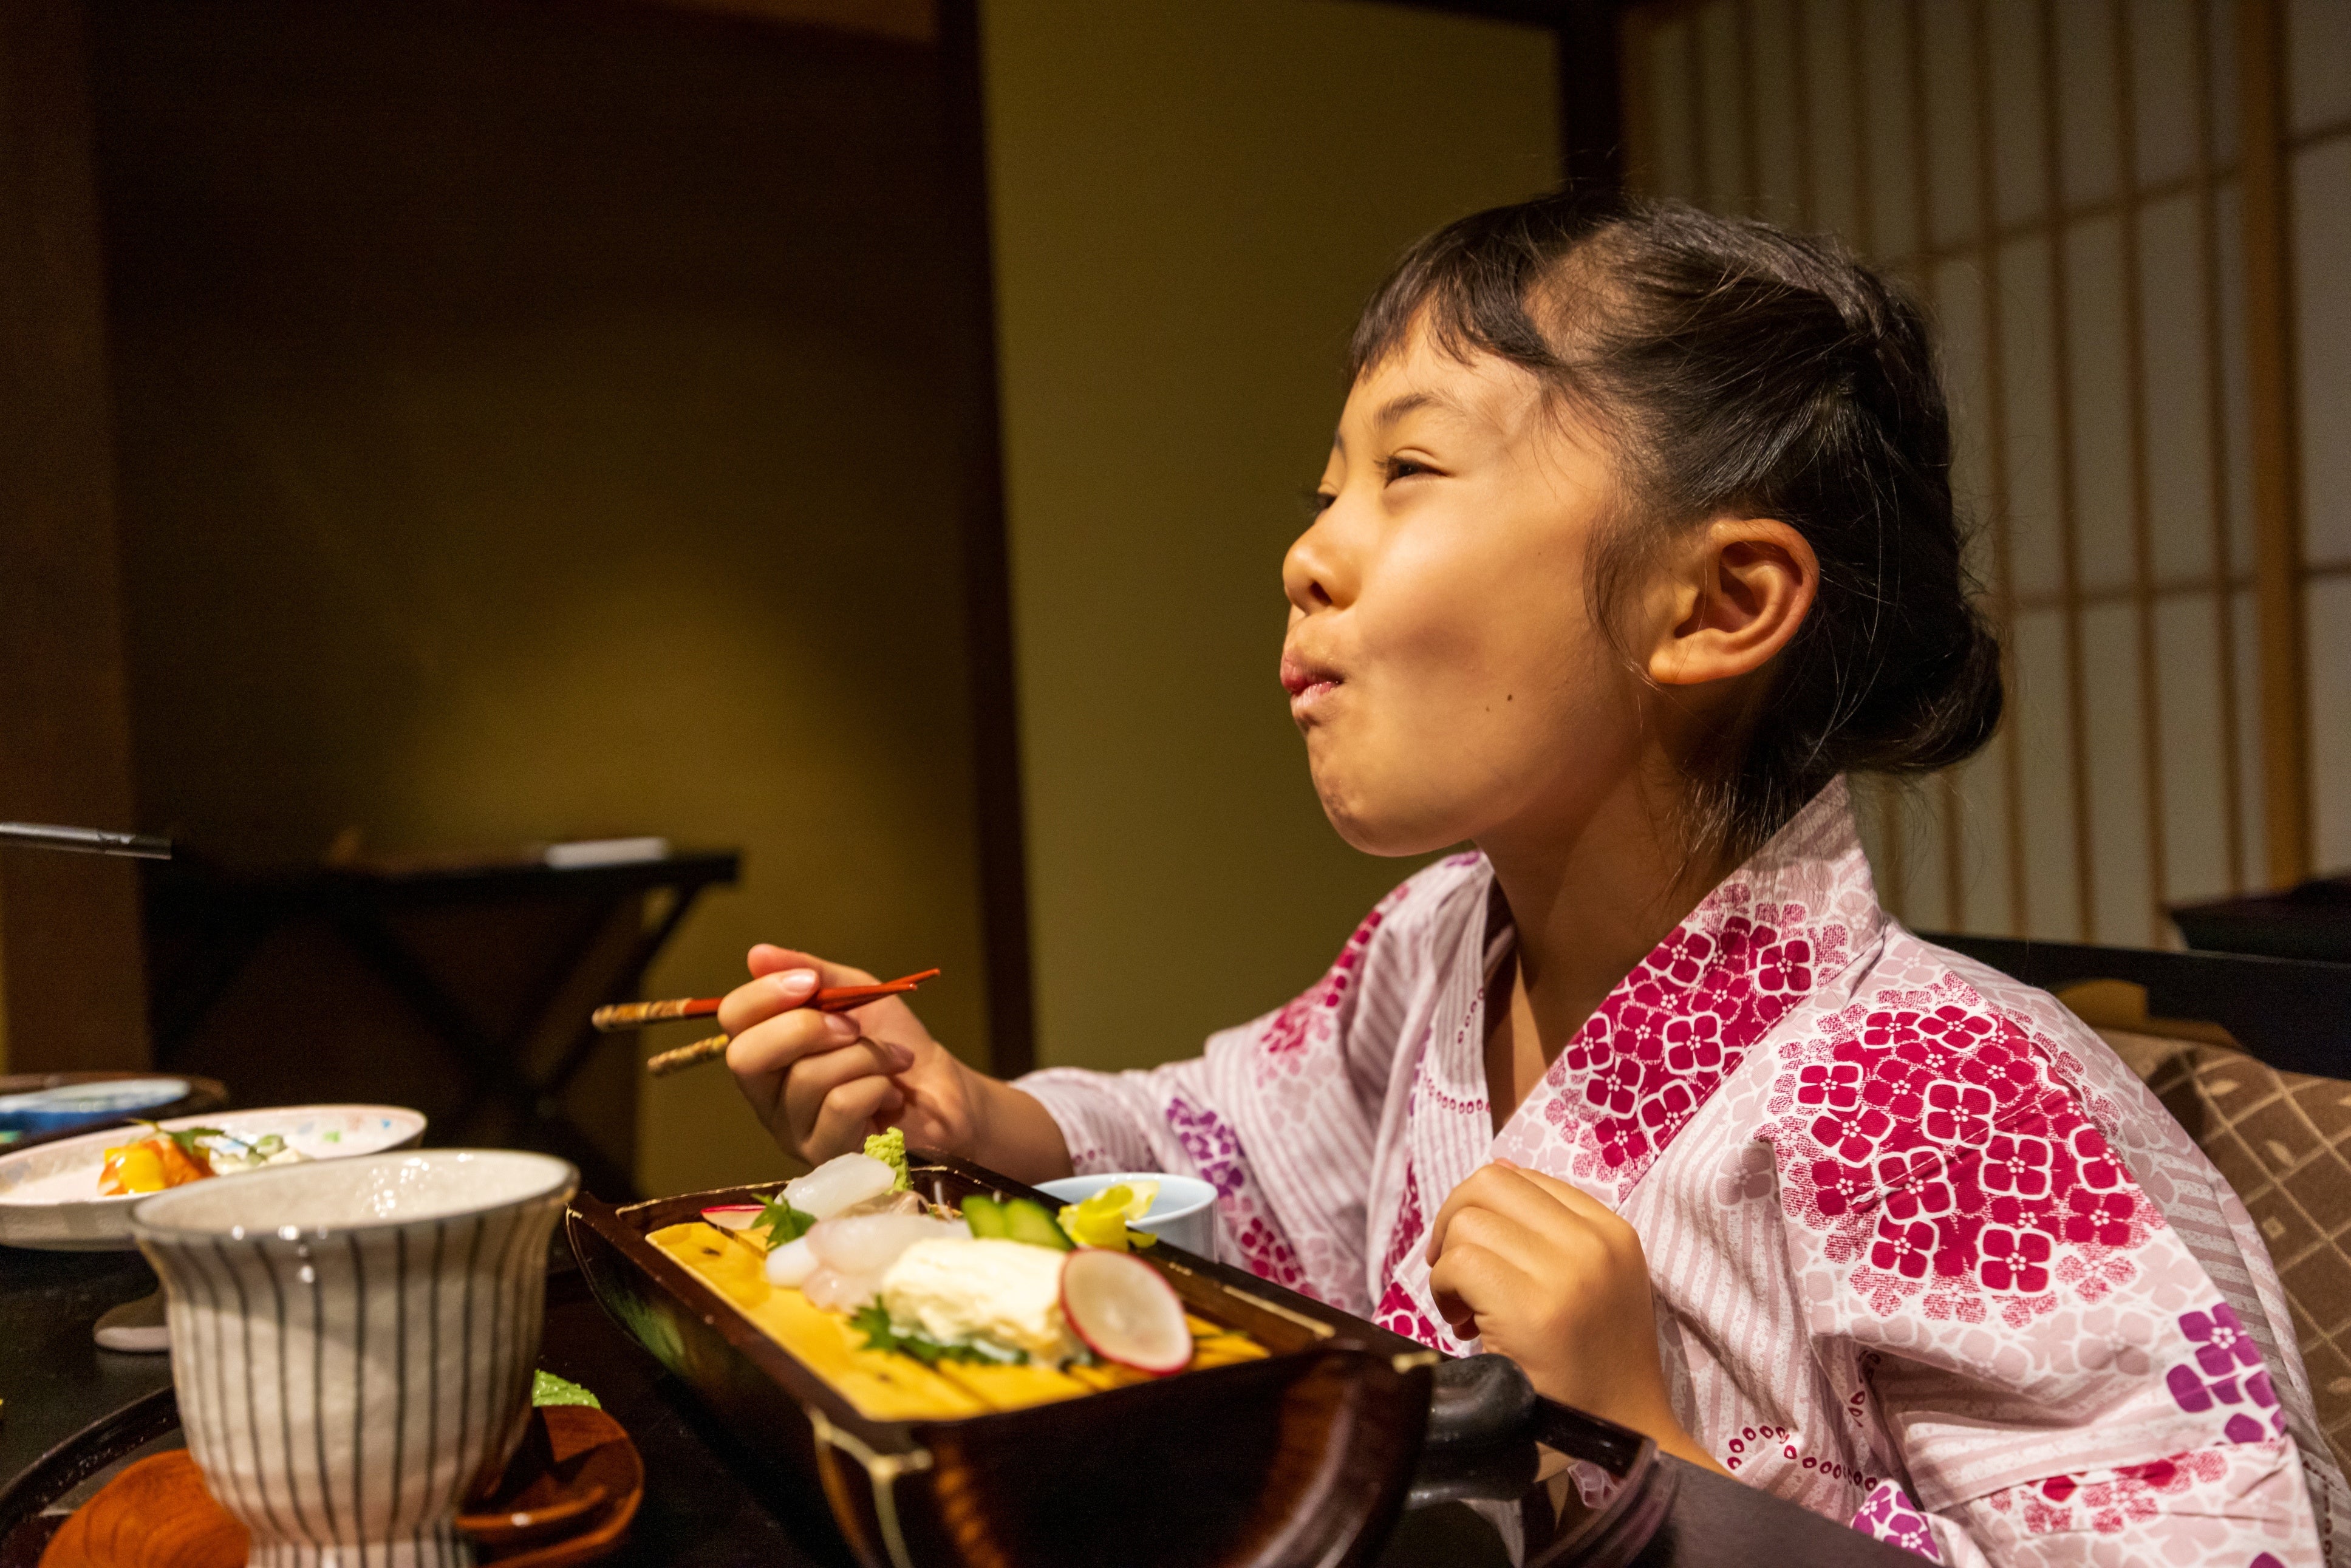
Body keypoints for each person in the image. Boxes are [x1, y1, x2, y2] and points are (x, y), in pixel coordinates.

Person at [716, 192, 2342, 1566]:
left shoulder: (1958, 1098)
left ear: (1716, 604)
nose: (1309, 552)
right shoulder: (1441, 944)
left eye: (1408, 472)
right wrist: (970, 1117)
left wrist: (1662, 1444)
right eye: (1325, 491)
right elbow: (1238, 1159)